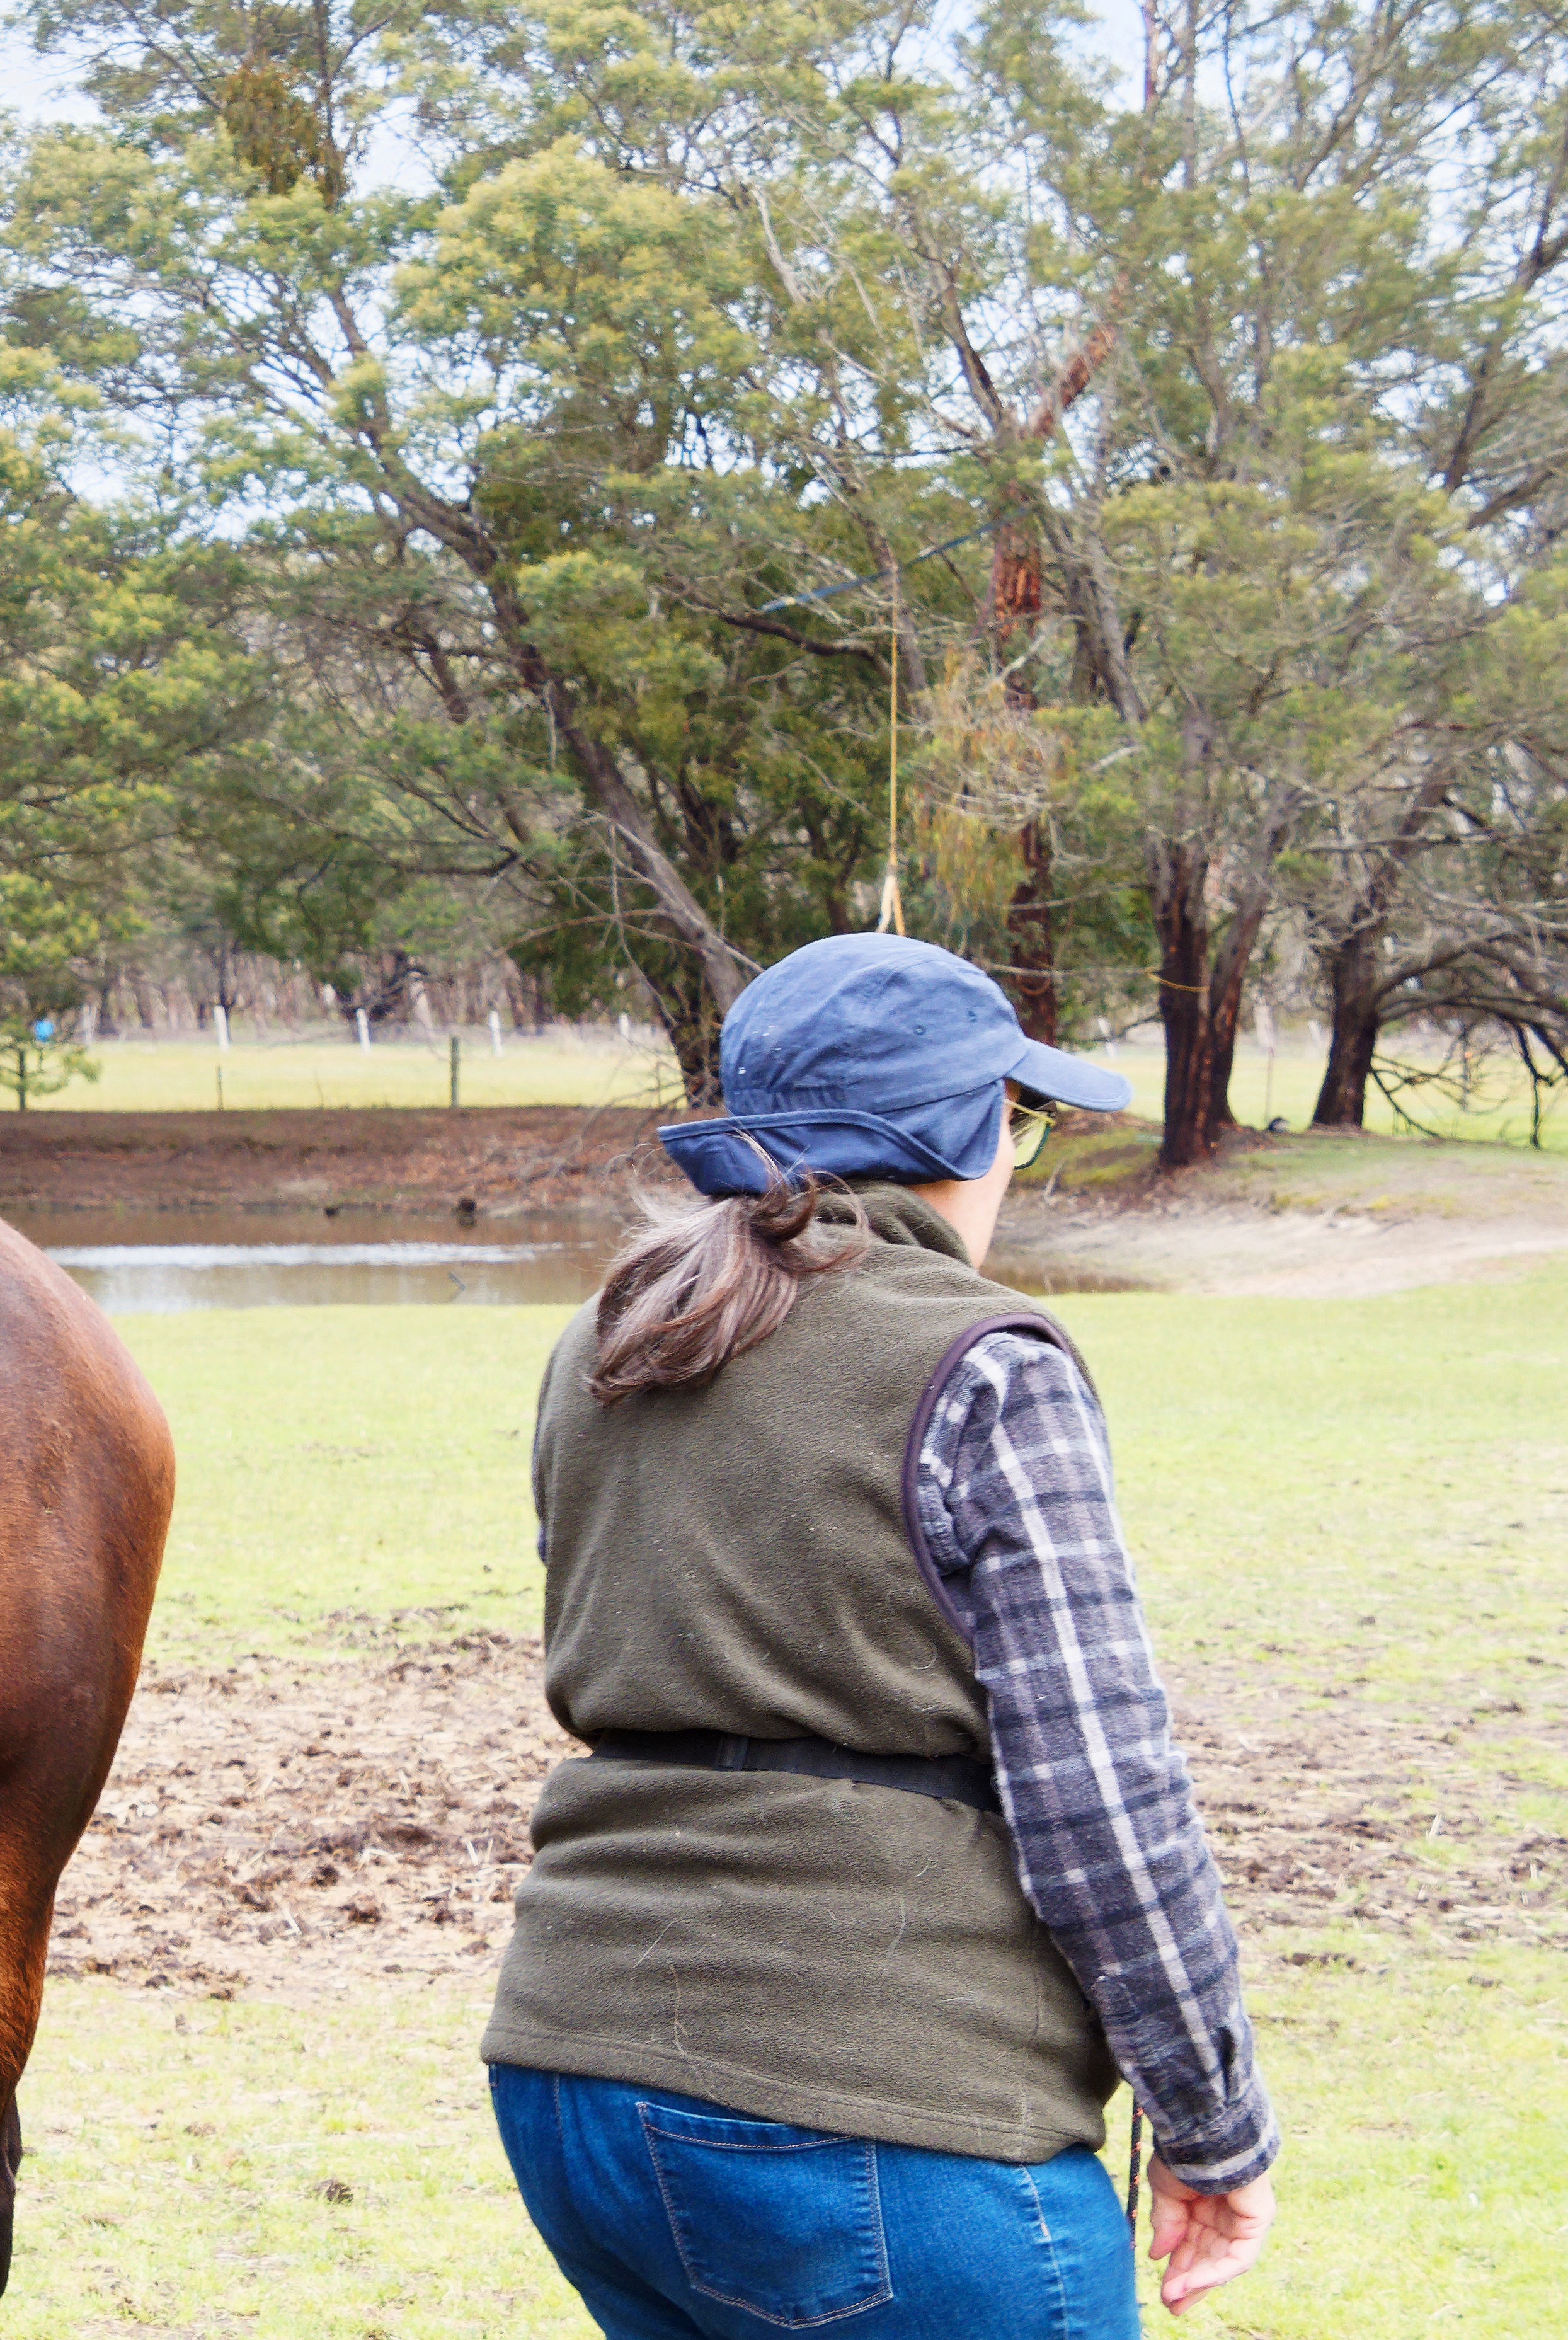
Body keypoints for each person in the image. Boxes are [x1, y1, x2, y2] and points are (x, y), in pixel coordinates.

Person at [484, 934, 1280, 2336]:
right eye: (1018, 1122)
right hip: (876, 2113)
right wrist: (1214, 2122)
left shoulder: (601, 1336)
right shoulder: (983, 1361)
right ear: (968, 1134)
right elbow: (1102, 1790)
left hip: (571, 2080)